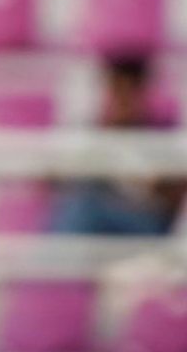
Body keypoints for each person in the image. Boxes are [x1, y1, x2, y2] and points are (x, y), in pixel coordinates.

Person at [49, 52, 182, 239]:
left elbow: (174, 196)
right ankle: (54, 264)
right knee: (79, 205)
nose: (122, 101)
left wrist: (150, 183)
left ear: (143, 92)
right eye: (116, 90)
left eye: (130, 91)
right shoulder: (93, 133)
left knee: (83, 208)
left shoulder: (161, 136)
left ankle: (53, 265)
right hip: (97, 220)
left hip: (145, 223)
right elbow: (55, 179)